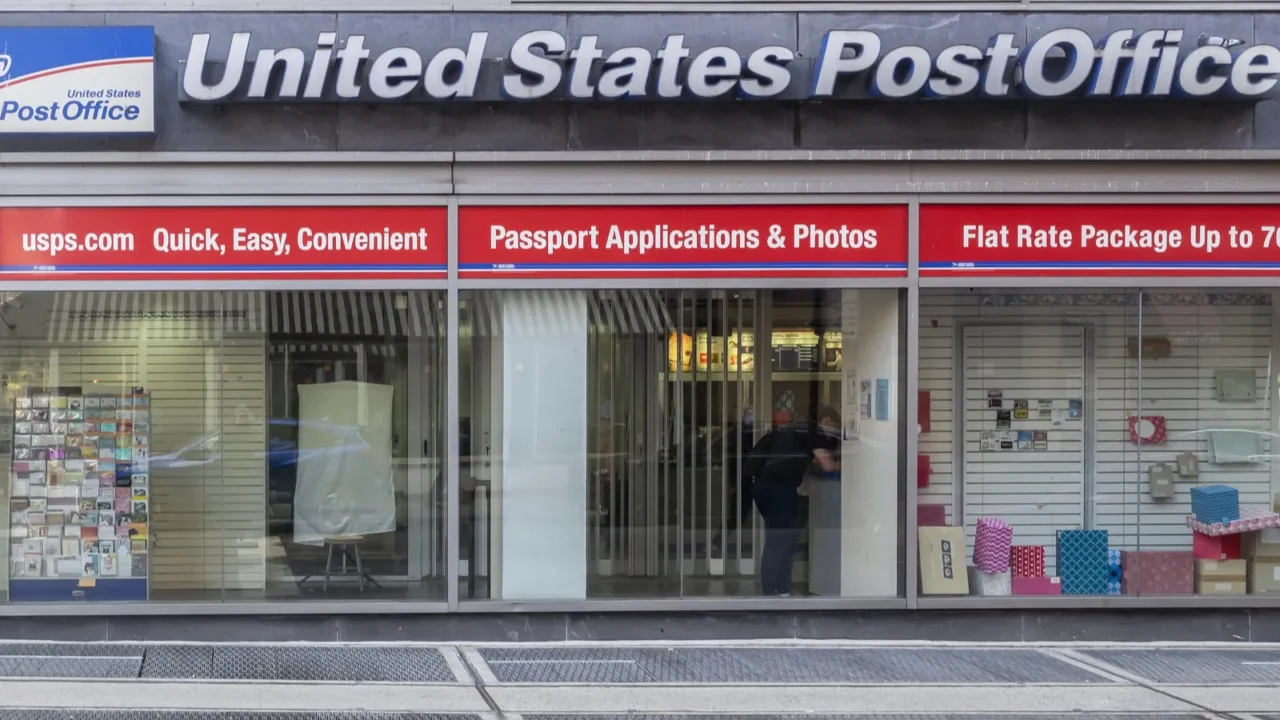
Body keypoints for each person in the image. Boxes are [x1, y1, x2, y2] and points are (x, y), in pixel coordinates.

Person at [743, 406, 841, 596]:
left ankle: (782, 591)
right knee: (780, 541)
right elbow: (827, 465)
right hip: (779, 488)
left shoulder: (792, 429)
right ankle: (772, 593)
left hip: (761, 486)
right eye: (835, 426)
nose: (834, 432)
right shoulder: (814, 431)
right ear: (827, 420)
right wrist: (851, 464)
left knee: (784, 539)